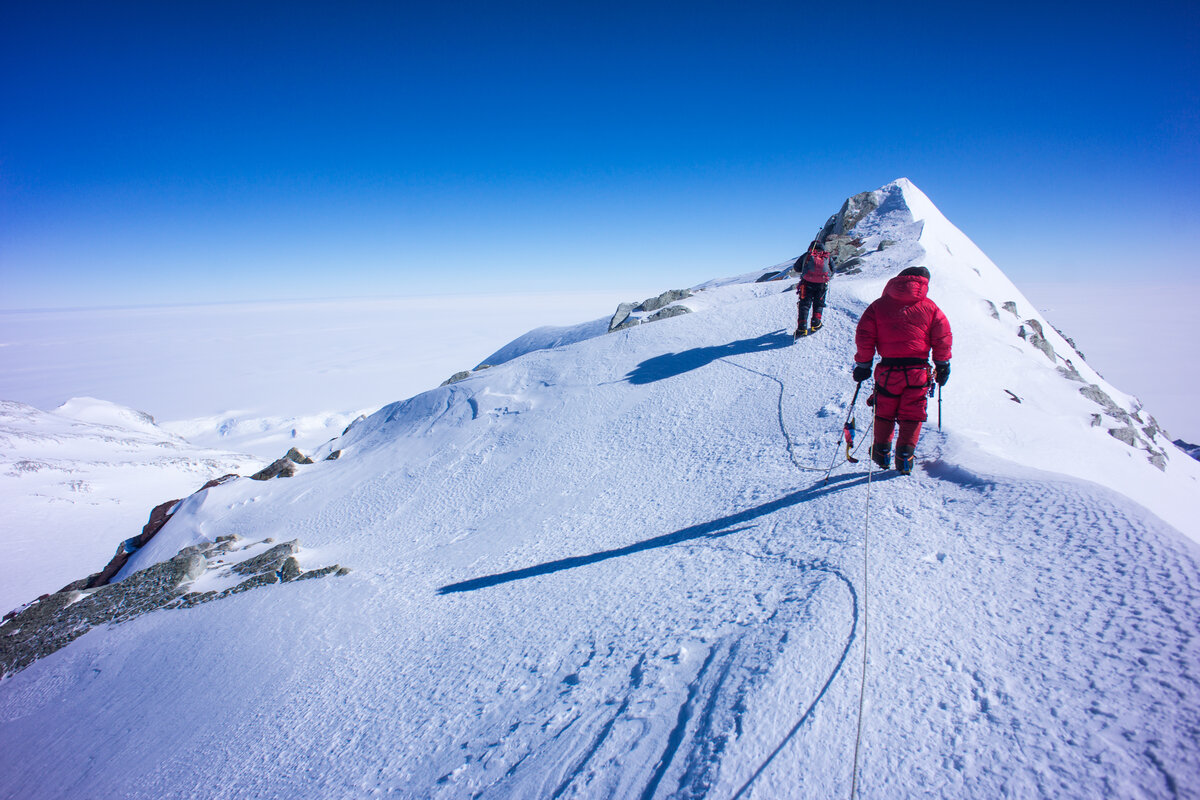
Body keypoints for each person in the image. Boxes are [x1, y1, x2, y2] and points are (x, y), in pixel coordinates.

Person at [851, 266, 952, 475]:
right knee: (912, 413)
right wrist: (942, 365)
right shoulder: (931, 308)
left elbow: (864, 336)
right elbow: (942, 338)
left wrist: (863, 365)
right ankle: (905, 455)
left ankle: (881, 452)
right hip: (918, 371)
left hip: (888, 371)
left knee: (884, 411)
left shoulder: (878, 307)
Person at [793, 239, 833, 339]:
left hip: (807, 284)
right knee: (818, 303)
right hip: (822, 285)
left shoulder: (807, 255)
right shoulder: (827, 256)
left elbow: (796, 268)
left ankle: (802, 328)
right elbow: (833, 269)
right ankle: (816, 323)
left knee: (804, 305)